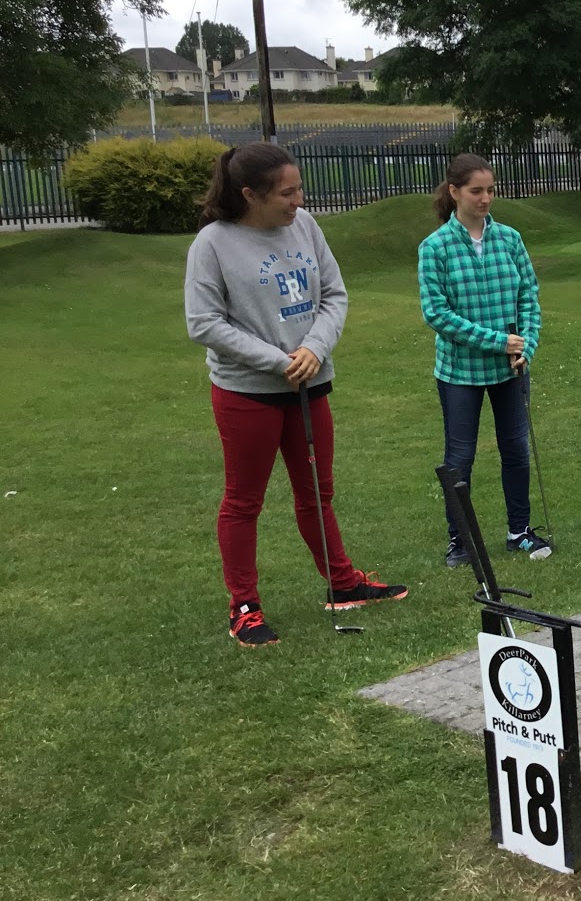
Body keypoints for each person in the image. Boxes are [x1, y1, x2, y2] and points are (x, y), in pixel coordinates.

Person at [185, 143, 408, 647]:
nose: (297, 201)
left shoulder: (305, 225)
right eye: (286, 193)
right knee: (244, 501)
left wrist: (312, 347)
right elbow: (204, 323)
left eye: (298, 189)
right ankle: (244, 606)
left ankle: (342, 581)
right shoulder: (214, 243)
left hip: (311, 384)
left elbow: (334, 294)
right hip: (249, 393)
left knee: (316, 493)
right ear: (250, 195)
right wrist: (277, 361)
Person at [418, 153, 551, 567]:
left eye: (490, 190)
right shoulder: (435, 248)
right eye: (476, 191)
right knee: (460, 457)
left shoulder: (510, 239)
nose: (486, 198)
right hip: (460, 373)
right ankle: (460, 541)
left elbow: (529, 296)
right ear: (454, 192)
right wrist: (500, 342)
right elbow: (437, 314)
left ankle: (519, 532)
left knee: (515, 448)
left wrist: (525, 345)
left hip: (510, 371)